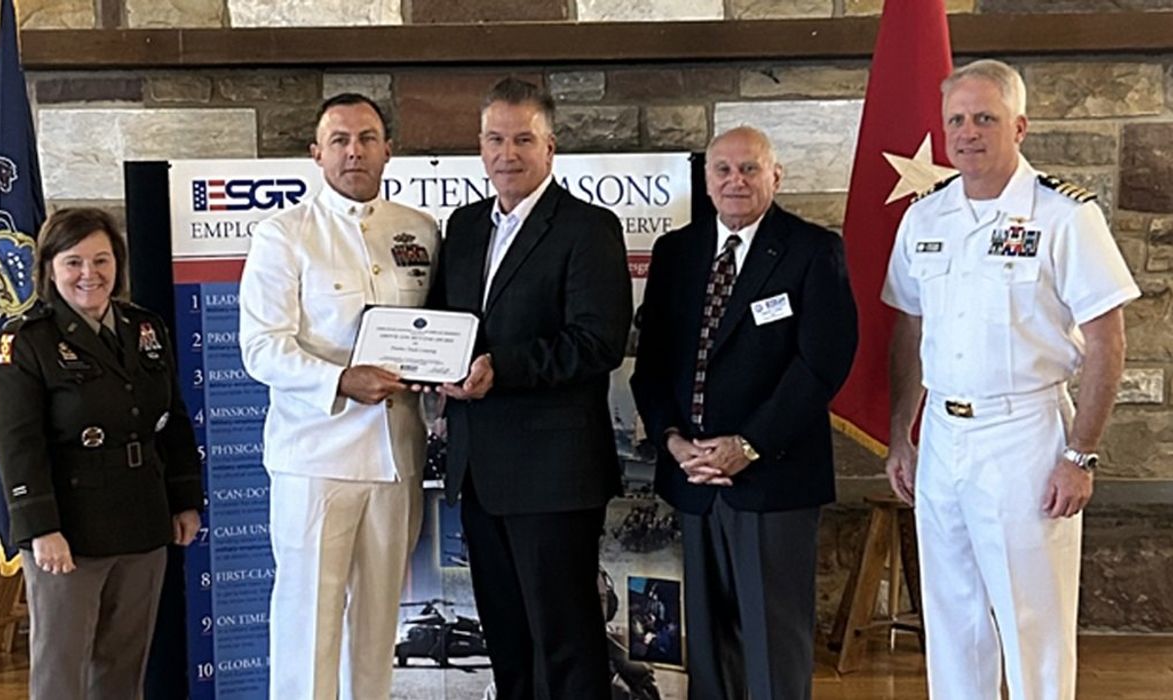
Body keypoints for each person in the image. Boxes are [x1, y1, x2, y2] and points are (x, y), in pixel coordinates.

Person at [882, 59, 1139, 700]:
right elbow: (910, 331)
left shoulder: (1064, 216)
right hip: (942, 434)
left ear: (1019, 126)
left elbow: (1108, 341)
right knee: (952, 619)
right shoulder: (925, 218)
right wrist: (899, 434)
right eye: (956, 121)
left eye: (985, 118)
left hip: (1023, 434)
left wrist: (1079, 455)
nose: (968, 133)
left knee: (1034, 622)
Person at [630, 126, 857, 700]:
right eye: (724, 170)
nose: (736, 181)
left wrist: (747, 445)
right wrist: (673, 440)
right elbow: (651, 361)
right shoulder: (676, 253)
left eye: (750, 169)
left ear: (775, 177)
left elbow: (821, 365)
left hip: (772, 479)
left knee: (773, 648)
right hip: (693, 481)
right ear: (705, 180)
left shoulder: (811, 250)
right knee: (706, 651)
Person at [428, 76, 631, 700]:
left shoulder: (587, 227)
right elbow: (443, 324)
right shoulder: (462, 227)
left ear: (550, 148)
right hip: (480, 471)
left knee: (566, 641)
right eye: (494, 139)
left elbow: (598, 342)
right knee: (507, 639)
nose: (506, 153)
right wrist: (430, 361)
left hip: (554, 474)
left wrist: (501, 367)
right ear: (480, 147)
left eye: (522, 139)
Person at [238, 93, 439, 700]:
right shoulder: (285, 235)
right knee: (310, 619)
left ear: (388, 149)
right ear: (316, 153)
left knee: (379, 622)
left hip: (397, 457)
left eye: (368, 138)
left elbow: (437, 331)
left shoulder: (419, 229)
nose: (355, 150)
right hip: (315, 458)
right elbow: (261, 348)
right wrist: (341, 379)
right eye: (341, 140)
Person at [0, 207, 202, 700]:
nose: (90, 274)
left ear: (117, 263)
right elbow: (18, 443)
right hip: (70, 529)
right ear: (49, 268)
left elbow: (171, 420)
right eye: (74, 262)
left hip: (143, 520)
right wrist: (41, 528)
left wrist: (185, 499)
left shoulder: (143, 328)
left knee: (123, 666)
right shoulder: (27, 341)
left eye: (101, 260)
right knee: (62, 669)